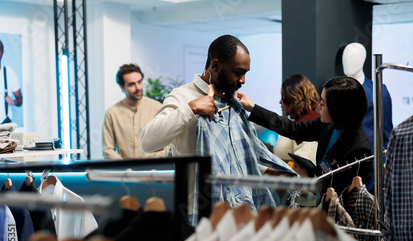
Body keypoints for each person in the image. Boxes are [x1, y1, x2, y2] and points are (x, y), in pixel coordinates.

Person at [140, 35, 294, 218]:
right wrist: (191, 109)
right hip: (199, 212)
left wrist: (266, 171)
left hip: (240, 212)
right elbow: (147, 142)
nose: (243, 80)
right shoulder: (182, 96)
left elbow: (229, 157)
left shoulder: (232, 102)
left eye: (245, 73)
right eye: (238, 72)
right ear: (215, 66)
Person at [237, 76, 372, 194]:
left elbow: (342, 191)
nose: (318, 106)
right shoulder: (327, 124)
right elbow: (293, 128)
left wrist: (309, 175)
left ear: (338, 110)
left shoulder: (359, 149)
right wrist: (252, 107)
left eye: (323, 104)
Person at [102, 63, 165, 159]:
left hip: (153, 170)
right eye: (132, 84)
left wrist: (152, 163)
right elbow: (108, 150)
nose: (138, 88)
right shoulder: (112, 113)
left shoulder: (156, 107)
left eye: (139, 82)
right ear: (122, 87)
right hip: (125, 172)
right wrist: (126, 167)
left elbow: (165, 142)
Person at [342, 42, 393, 152]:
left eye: (351, 58)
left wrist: (384, 163)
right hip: (342, 158)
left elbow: (387, 131)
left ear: (362, 59)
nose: (347, 62)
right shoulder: (334, 91)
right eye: (344, 58)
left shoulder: (378, 90)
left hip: (370, 157)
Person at [273, 74, 320, 165]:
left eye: (283, 96)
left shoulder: (307, 125)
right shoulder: (306, 120)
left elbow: (305, 170)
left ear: (293, 98)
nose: (280, 101)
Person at [0, 40, 23, 124]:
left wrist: (14, 102)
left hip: (4, 126)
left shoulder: (8, 72)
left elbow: (20, 100)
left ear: (2, 52)